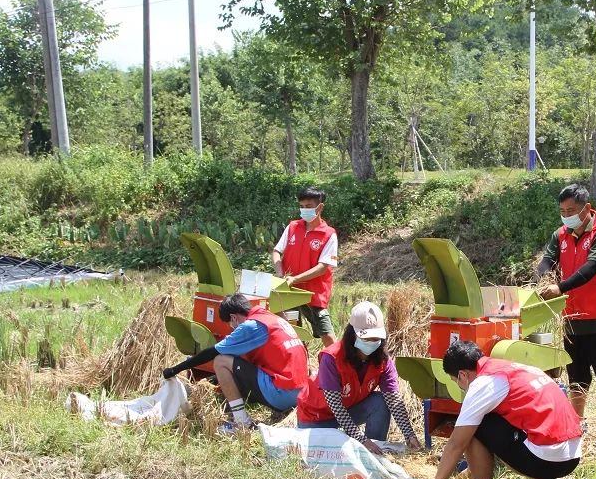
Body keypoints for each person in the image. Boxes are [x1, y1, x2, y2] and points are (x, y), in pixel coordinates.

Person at [427, 340, 583, 479]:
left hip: (547, 456)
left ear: (463, 375)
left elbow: (456, 444)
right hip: (572, 453)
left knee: (474, 425)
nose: (460, 387)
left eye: (456, 381)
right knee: (492, 425)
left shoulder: (483, 382)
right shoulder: (510, 367)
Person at [537, 183, 596, 448]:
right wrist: (539, 278)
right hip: (573, 319)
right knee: (577, 377)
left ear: (586, 209)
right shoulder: (561, 235)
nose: (567, 215)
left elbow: (591, 269)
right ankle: (577, 422)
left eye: (572, 210)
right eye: (563, 211)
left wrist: (560, 287)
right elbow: (548, 260)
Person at [163, 293, 309, 434]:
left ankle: (241, 422)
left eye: (230, 325)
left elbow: (212, 353)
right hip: (301, 393)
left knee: (221, 361)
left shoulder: (251, 326)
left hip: (282, 394)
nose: (232, 328)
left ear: (234, 318)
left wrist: (175, 370)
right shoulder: (270, 318)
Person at [296, 301, 423, 454]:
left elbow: (393, 400)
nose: (371, 343)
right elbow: (335, 406)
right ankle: (364, 446)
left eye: (376, 338)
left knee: (380, 401)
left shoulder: (382, 360)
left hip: (350, 410)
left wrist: (409, 435)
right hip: (317, 416)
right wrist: (361, 439)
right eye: (366, 339)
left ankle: (375, 452)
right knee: (327, 454)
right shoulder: (332, 357)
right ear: (352, 335)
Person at [271, 187, 338, 347]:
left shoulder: (328, 234)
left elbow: (323, 267)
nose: (304, 210)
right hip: (289, 292)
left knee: (326, 334)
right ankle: (301, 366)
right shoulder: (293, 227)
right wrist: (280, 273)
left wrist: (295, 279)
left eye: (308, 206)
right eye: (301, 206)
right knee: (291, 333)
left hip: (313, 293)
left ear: (319, 207)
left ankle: (337, 366)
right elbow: (276, 251)